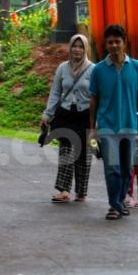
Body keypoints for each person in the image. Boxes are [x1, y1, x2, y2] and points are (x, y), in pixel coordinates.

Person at [89, 24, 138, 220]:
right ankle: (115, 206)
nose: (113, 46)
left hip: (130, 127)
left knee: (127, 169)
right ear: (105, 45)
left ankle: (119, 202)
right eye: (110, 42)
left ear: (124, 42)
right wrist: (92, 128)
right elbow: (93, 100)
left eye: (117, 42)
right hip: (107, 127)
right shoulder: (99, 70)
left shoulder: (136, 67)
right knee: (112, 168)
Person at [41, 34, 95, 203]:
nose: (77, 49)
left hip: (85, 115)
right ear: (70, 48)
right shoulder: (62, 68)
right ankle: (64, 190)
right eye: (74, 46)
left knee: (84, 153)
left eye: (81, 46)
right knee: (66, 149)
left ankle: (81, 192)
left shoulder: (93, 69)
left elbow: (97, 96)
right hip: (65, 115)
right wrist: (47, 114)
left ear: (86, 49)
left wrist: (98, 120)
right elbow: (55, 92)